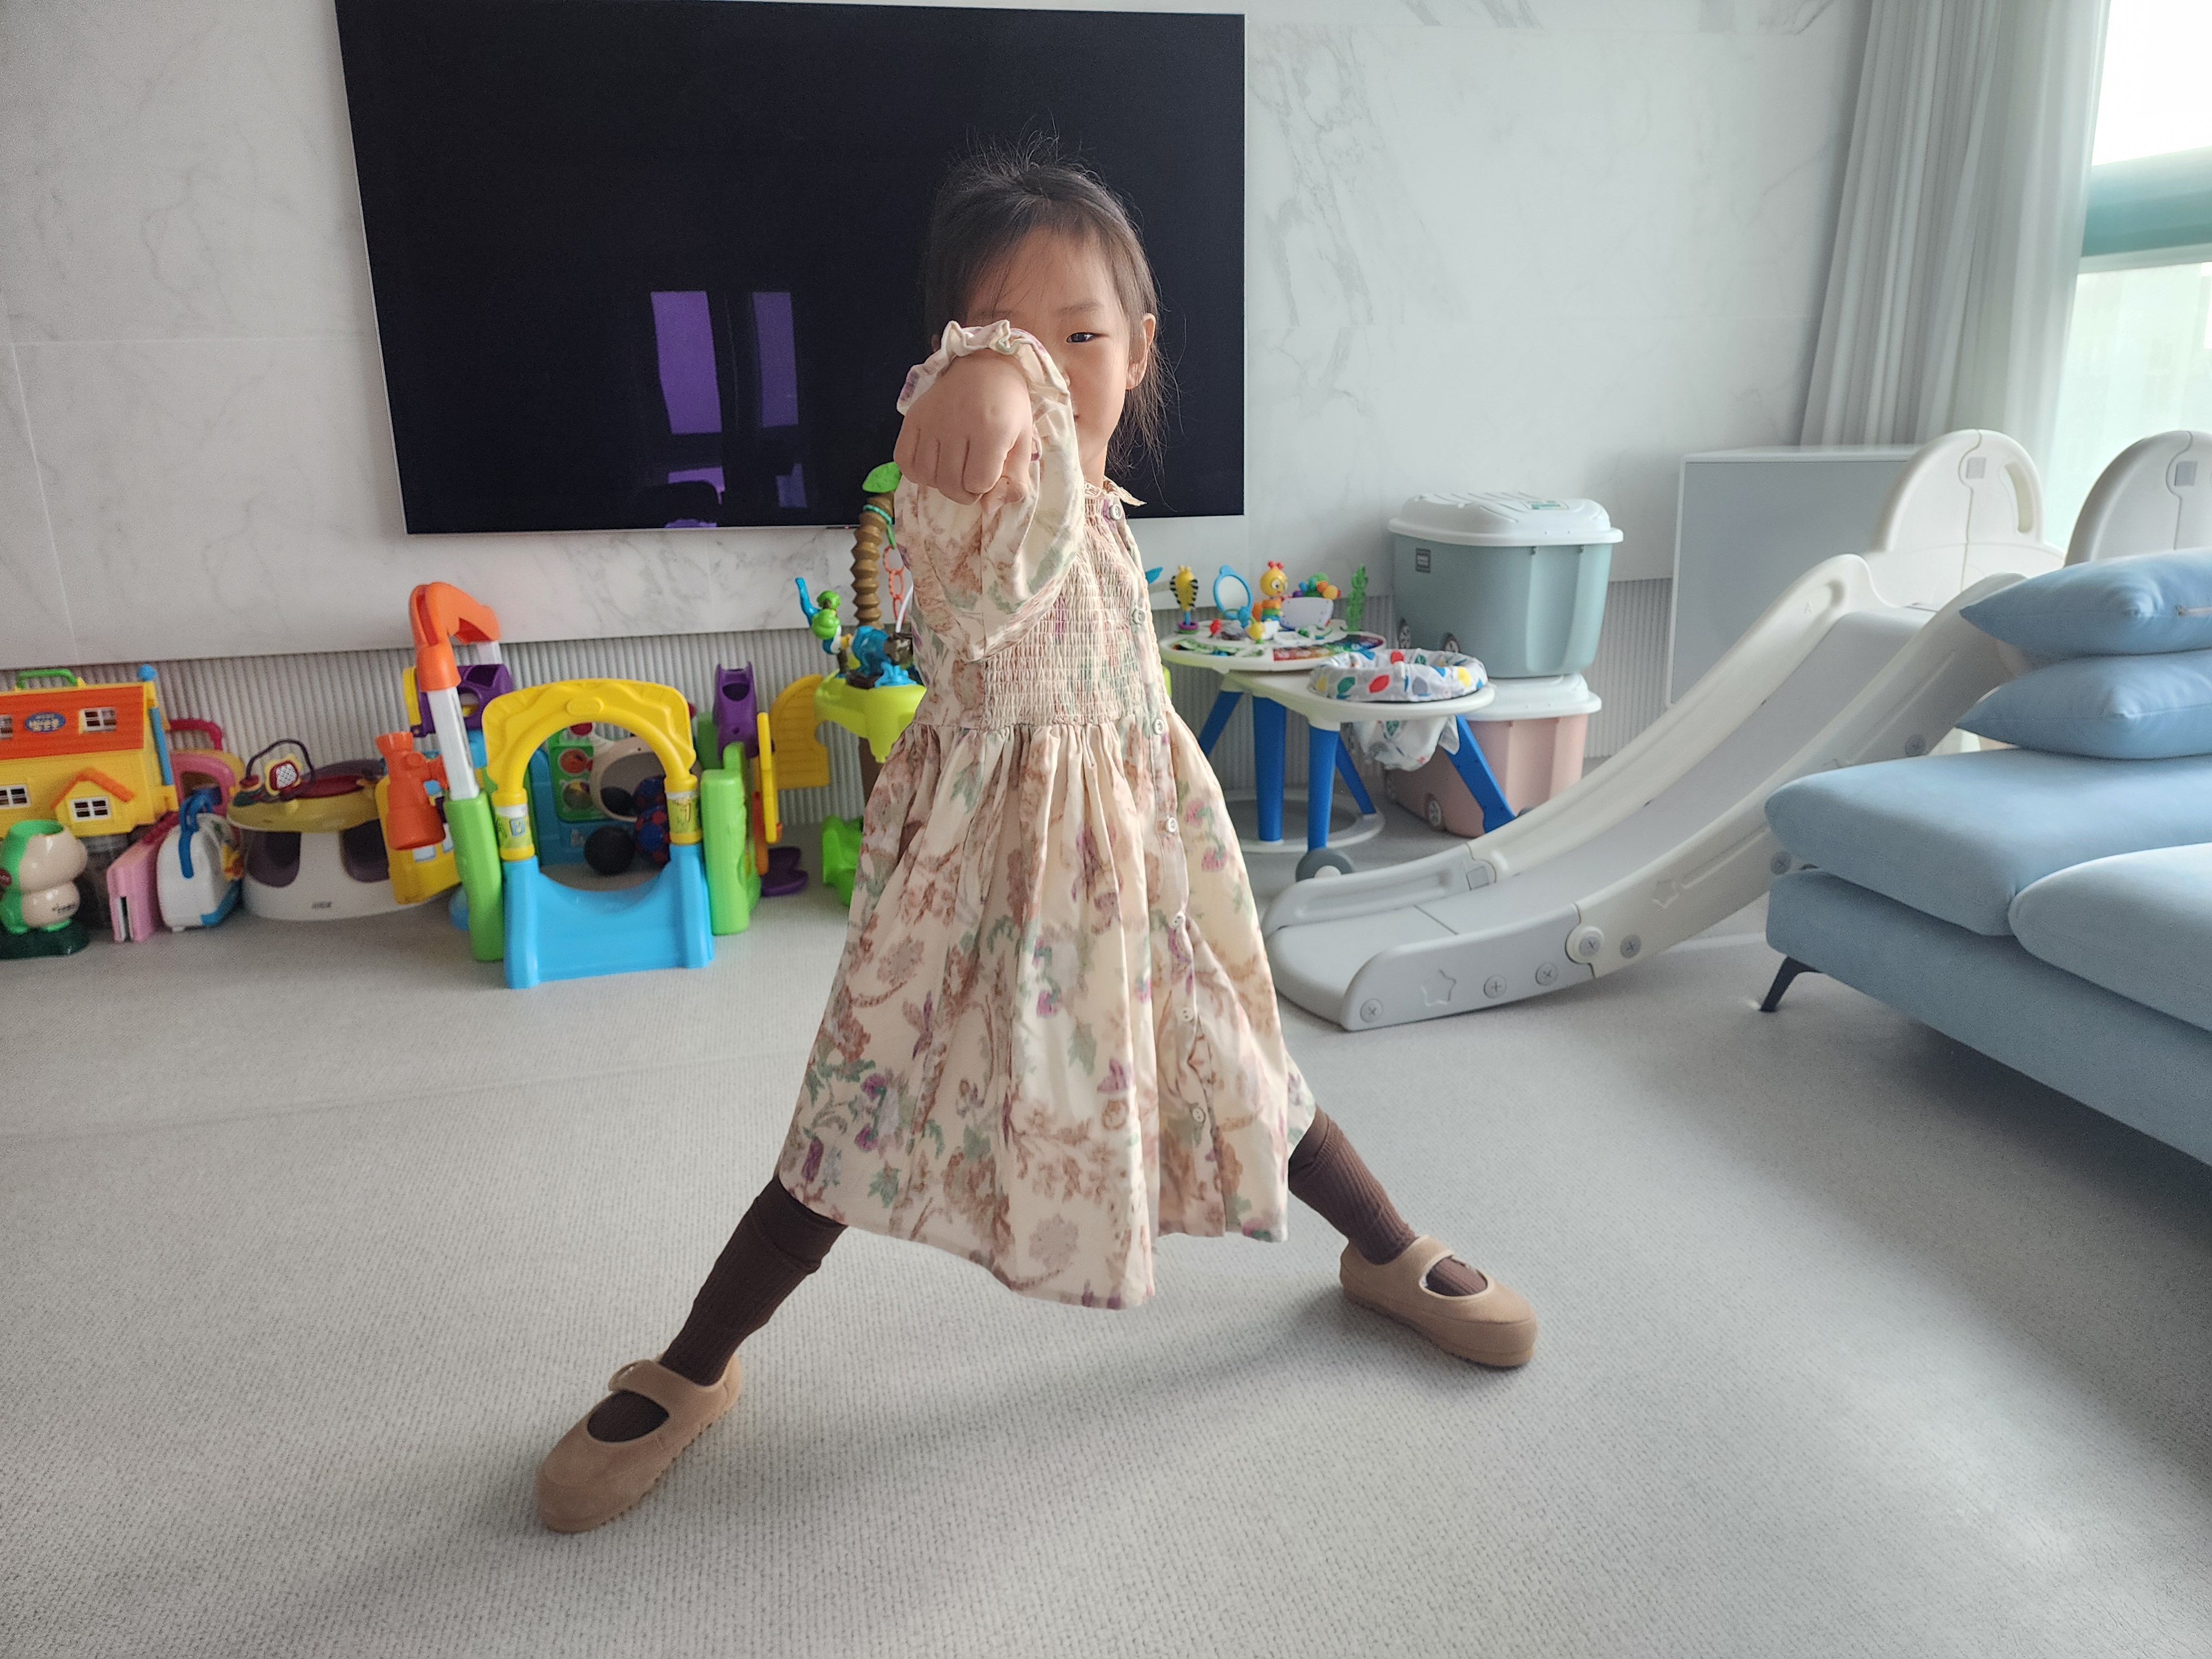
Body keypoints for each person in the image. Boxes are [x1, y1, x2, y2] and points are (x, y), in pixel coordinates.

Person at [536, 142, 1537, 1535]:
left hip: (1137, 876)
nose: (1052, 370)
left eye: (1082, 335)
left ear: (1141, 349)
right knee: (854, 1119)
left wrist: (1014, 370)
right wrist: (984, 379)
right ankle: (693, 1366)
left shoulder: (1109, 511)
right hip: (974, 896)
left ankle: (1380, 1247)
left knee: (1242, 1065)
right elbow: (963, 492)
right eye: (1005, 332)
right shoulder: (974, 491)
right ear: (948, 355)